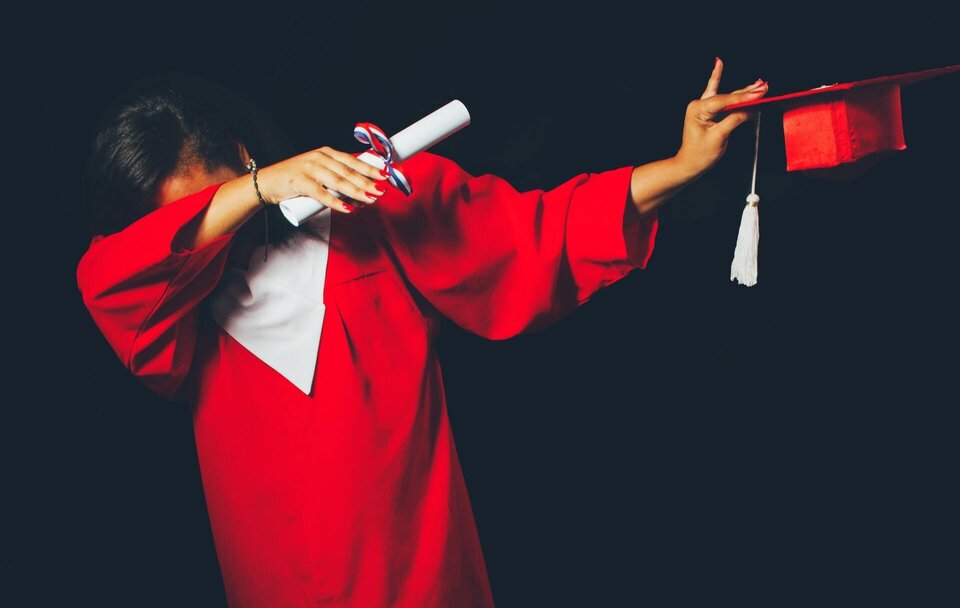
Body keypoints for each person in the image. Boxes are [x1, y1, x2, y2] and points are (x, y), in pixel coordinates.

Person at [76, 61, 768, 607]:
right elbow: (109, 277)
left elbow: (536, 234)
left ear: (241, 150)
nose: (212, 233)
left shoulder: (373, 214)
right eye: (194, 220)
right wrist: (249, 195)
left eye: (214, 195)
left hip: (417, 582)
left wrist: (681, 167)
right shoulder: (167, 307)